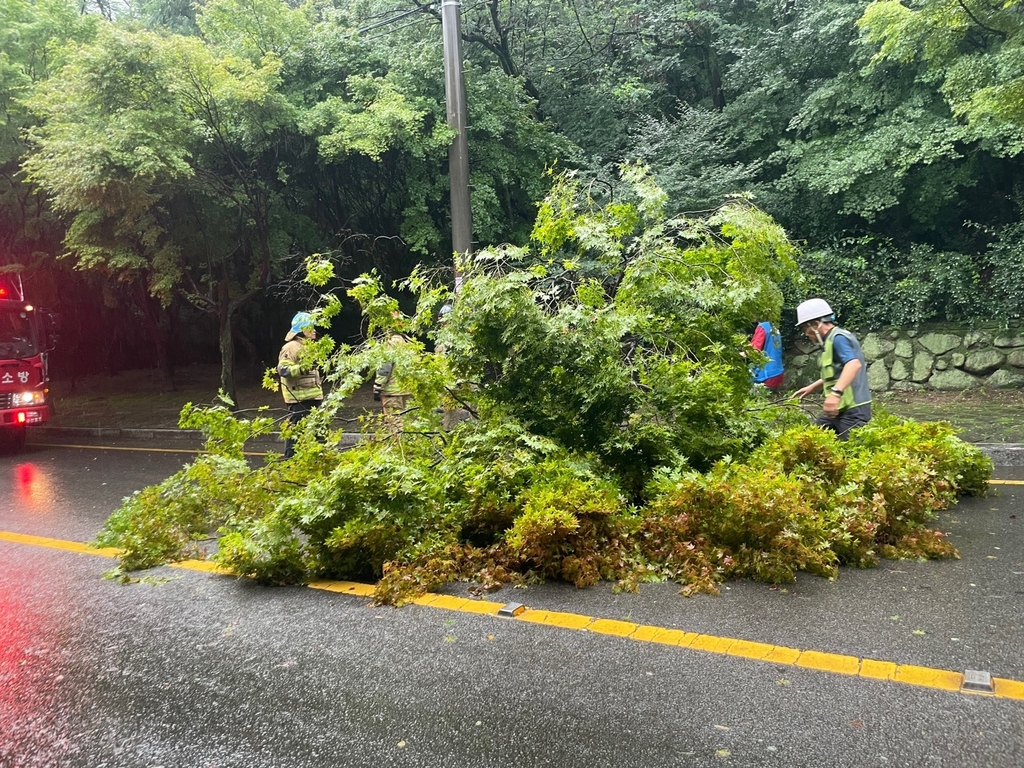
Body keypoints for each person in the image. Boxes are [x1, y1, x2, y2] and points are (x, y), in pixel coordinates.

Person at [793, 298, 872, 440]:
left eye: (805, 328)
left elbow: (853, 365)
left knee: (853, 453)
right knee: (812, 440)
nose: (805, 334)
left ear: (816, 324)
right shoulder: (830, 339)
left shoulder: (838, 338)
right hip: (838, 409)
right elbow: (837, 373)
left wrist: (835, 394)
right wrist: (812, 387)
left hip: (853, 409)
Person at [277, 312, 323, 458]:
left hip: (313, 398)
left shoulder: (309, 347)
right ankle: (290, 464)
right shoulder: (291, 347)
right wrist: (303, 368)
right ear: (302, 329)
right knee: (295, 436)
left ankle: (315, 463)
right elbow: (283, 370)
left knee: (318, 433)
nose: (314, 330)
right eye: (311, 327)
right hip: (299, 400)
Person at [373, 334, 411, 427]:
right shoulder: (409, 344)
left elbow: (384, 368)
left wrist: (377, 386)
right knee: (405, 420)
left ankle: (397, 441)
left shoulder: (389, 344)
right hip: (407, 390)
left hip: (392, 392)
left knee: (394, 421)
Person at [750, 320, 784, 391]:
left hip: (766, 375)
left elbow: (754, 351)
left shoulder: (762, 327)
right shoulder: (773, 326)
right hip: (777, 372)